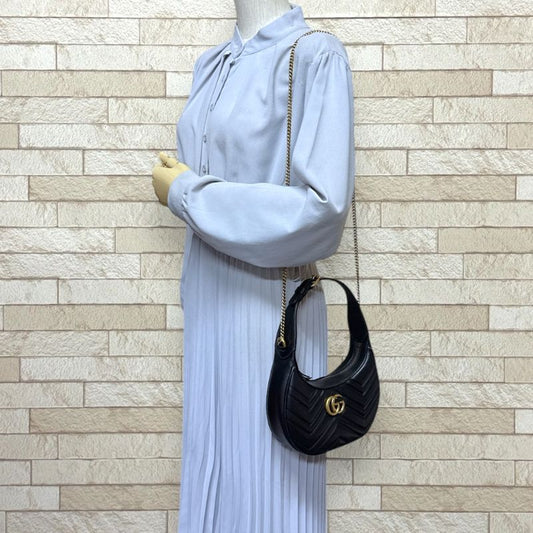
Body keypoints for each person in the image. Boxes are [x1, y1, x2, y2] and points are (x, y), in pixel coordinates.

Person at [152, 1, 355, 531]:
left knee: (268, 488)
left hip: (268, 310)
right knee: (214, 472)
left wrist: (186, 194)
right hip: (209, 305)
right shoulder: (211, 64)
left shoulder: (314, 56)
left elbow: (322, 213)